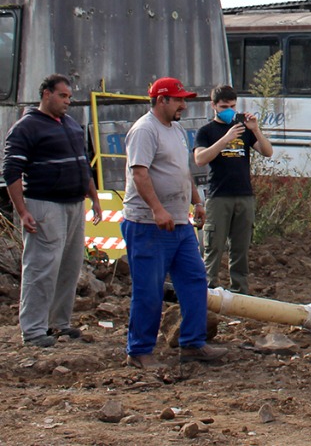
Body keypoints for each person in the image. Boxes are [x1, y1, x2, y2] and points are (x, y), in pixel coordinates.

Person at [122, 76, 225, 369]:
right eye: (179, 99)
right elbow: (139, 174)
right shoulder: (144, 130)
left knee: (194, 281)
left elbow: (182, 171)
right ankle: (139, 351)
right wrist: (157, 210)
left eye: (184, 99)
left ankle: (192, 343)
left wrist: (197, 201)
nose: (184, 105)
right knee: (149, 290)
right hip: (148, 225)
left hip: (179, 223)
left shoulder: (176, 129)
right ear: (161, 100)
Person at [2, 74, 102, 347]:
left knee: (69, 266)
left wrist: (94, 198)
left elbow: (83, 164)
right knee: (41, 267)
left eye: (69, 97)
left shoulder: (70, 124)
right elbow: (11, 171)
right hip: (45, 205)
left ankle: (58, 323)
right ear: (46, 94)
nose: (67, 101)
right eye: (63, 96)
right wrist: (22, 211)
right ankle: (34, 330)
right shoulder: (27, 127)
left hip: (73, 204)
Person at [193, 85, 272, 293]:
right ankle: (209, 289)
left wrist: (255, 129)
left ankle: (240, 290)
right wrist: (225, 139)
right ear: (213, 106)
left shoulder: (244, 130)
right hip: (219, 196)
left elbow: (267, 151)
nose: (229, 110)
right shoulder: (207, 131)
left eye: (232, 106)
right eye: (224, 106)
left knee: (240, 248)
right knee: (214, 247)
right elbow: (200, 159)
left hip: (244, 195)